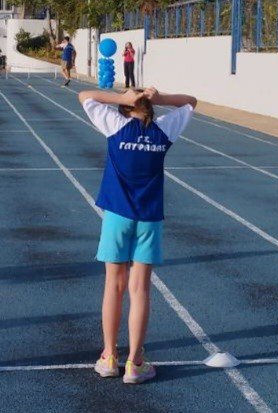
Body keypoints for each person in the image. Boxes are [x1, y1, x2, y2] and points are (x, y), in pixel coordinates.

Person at [78, 87, 196, 384]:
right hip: (149, 218)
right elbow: (190, 101)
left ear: (127, 108)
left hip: (117, 215)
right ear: (151, 107)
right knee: (140, 289)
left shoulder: (116, 125)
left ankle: (109, 356)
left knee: (113, 286)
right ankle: (135, 362)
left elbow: (84, 96)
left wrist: (121, 98)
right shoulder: (164, 130)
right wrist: (161, 99)